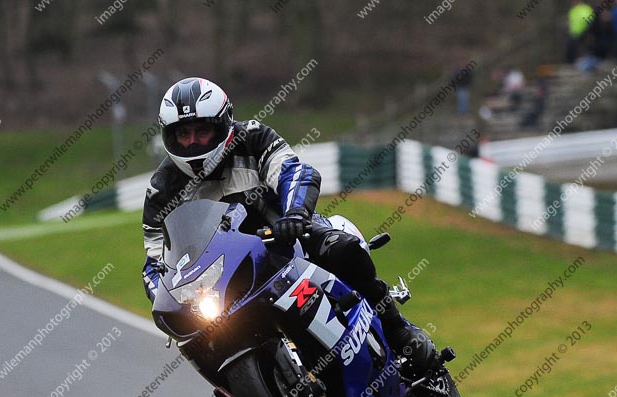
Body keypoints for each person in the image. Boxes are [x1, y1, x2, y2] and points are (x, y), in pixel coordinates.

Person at [141, 77, 436, 375]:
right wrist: (167, 300)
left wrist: (295, 214)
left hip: (286, 237)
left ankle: (399, 329)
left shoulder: (253, 138)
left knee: (340, 248)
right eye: (184, 134)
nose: (193, 142)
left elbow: (294, 172)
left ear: (222, 125)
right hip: (226, 276)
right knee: (199, 342)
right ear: (170, 136)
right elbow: (156, 263)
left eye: (202, 131)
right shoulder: (162, 188)